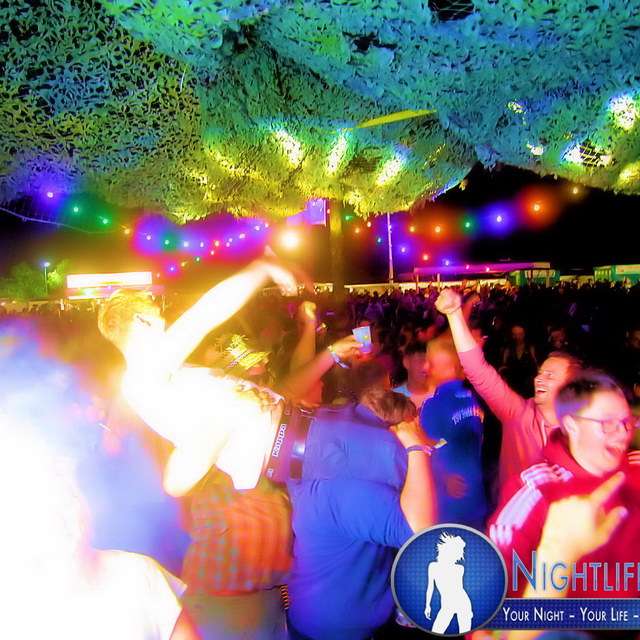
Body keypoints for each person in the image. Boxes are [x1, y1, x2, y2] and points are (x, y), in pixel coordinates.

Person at [285, 398, 436, 640]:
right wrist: (416, 447)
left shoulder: (328, 467)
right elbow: (419, 531)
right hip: (332, 631)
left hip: (332, 619)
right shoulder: (336, 491)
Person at [489, 371, 640, 605]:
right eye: (608, 423)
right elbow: (495, 593)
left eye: (627, 421)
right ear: (572, 425)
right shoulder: (536, 489)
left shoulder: (634, 471)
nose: (623, 433)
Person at [435, 288, 581, 489]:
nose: (539, 378)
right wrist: (454, 315)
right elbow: (478, 370)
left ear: (570, 388)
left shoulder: (583, 430)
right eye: (541, 373)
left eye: (550, 376)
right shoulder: (519, 414)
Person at [420, 337, 488, 530]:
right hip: (476, 493)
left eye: (431, 363)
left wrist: (442, 477)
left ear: (450, 370)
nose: (425, 367)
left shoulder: (434, 405)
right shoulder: (473, 399)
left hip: (448, 501)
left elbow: (430, 447)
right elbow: (477, 438)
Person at [425, 532, 473, 635]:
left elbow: (459, 589)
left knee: (466, 634)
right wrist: (427, 605)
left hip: (462, 603)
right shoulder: (433, 566)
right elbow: (430, 587)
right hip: (447, 605)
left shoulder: (459, 568)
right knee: (437, 630)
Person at [394, 339, 433, 411]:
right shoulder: (394, 397)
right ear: (406, 362)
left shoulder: (440, 395)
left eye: (431, 362)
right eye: (422, 360)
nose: (427, 366)